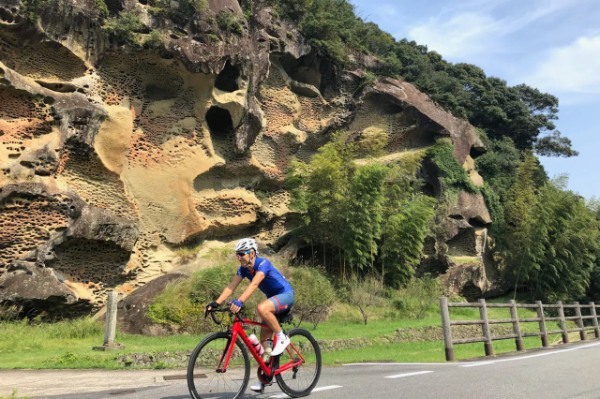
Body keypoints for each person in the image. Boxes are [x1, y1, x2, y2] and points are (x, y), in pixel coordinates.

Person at [206, 237, 294, 392]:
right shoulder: (243, 269)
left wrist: (240, 301)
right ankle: (265, 378)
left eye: (241, 254)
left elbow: (254, 284)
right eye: (237, 254)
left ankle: (282, 337)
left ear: (252, 253)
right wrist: (216, 303)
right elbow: (231, 287)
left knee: (262, 308)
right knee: (264, 347)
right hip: (273, 299)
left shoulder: (263, 264)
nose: (238, 257)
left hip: (285, 295)